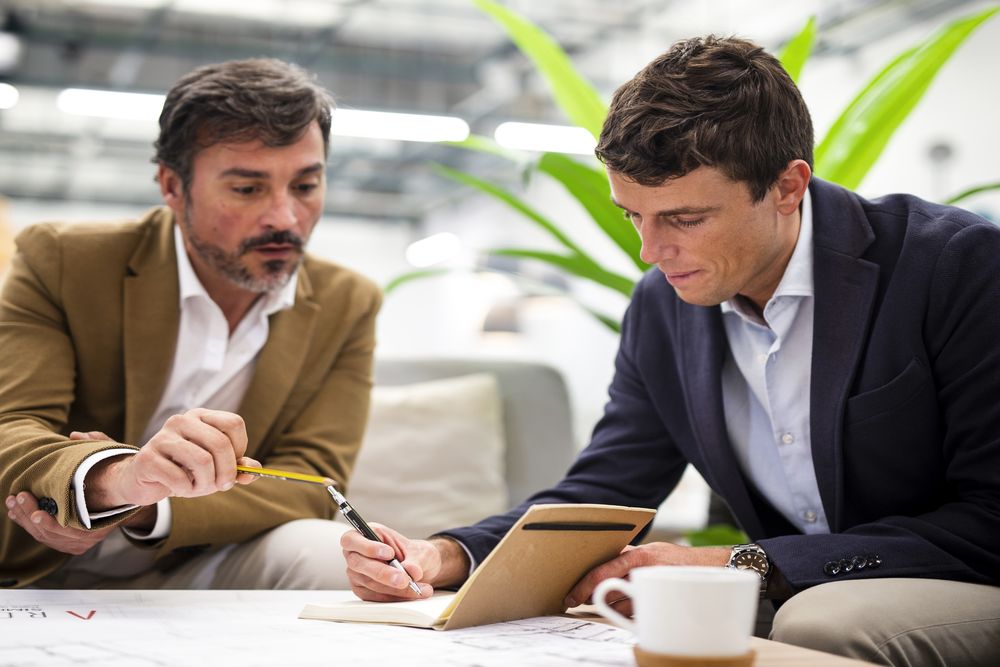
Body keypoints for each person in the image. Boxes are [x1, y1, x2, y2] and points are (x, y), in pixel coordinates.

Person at [341, 36, 1000, 665]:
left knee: (820, 623)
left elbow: (990, 515)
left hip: (960, 574)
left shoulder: (956, 266)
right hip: (801, 585)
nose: (651, 253)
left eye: (684, 219)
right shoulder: (664, 307)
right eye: (635, 215)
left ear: (788, 186)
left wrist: (745, 563)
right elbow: (607, 486)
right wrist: (444, 554)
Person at [1, 58, 380, 590]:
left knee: (327, 555)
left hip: (196, 561)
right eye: (247, 190)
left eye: (305, 185)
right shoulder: (62, 261)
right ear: (173, 187)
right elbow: (12, 426)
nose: (285, 218)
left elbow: (314, 478)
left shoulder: (348, 303)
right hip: (36, 558)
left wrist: (144, 502)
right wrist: (115, 480)